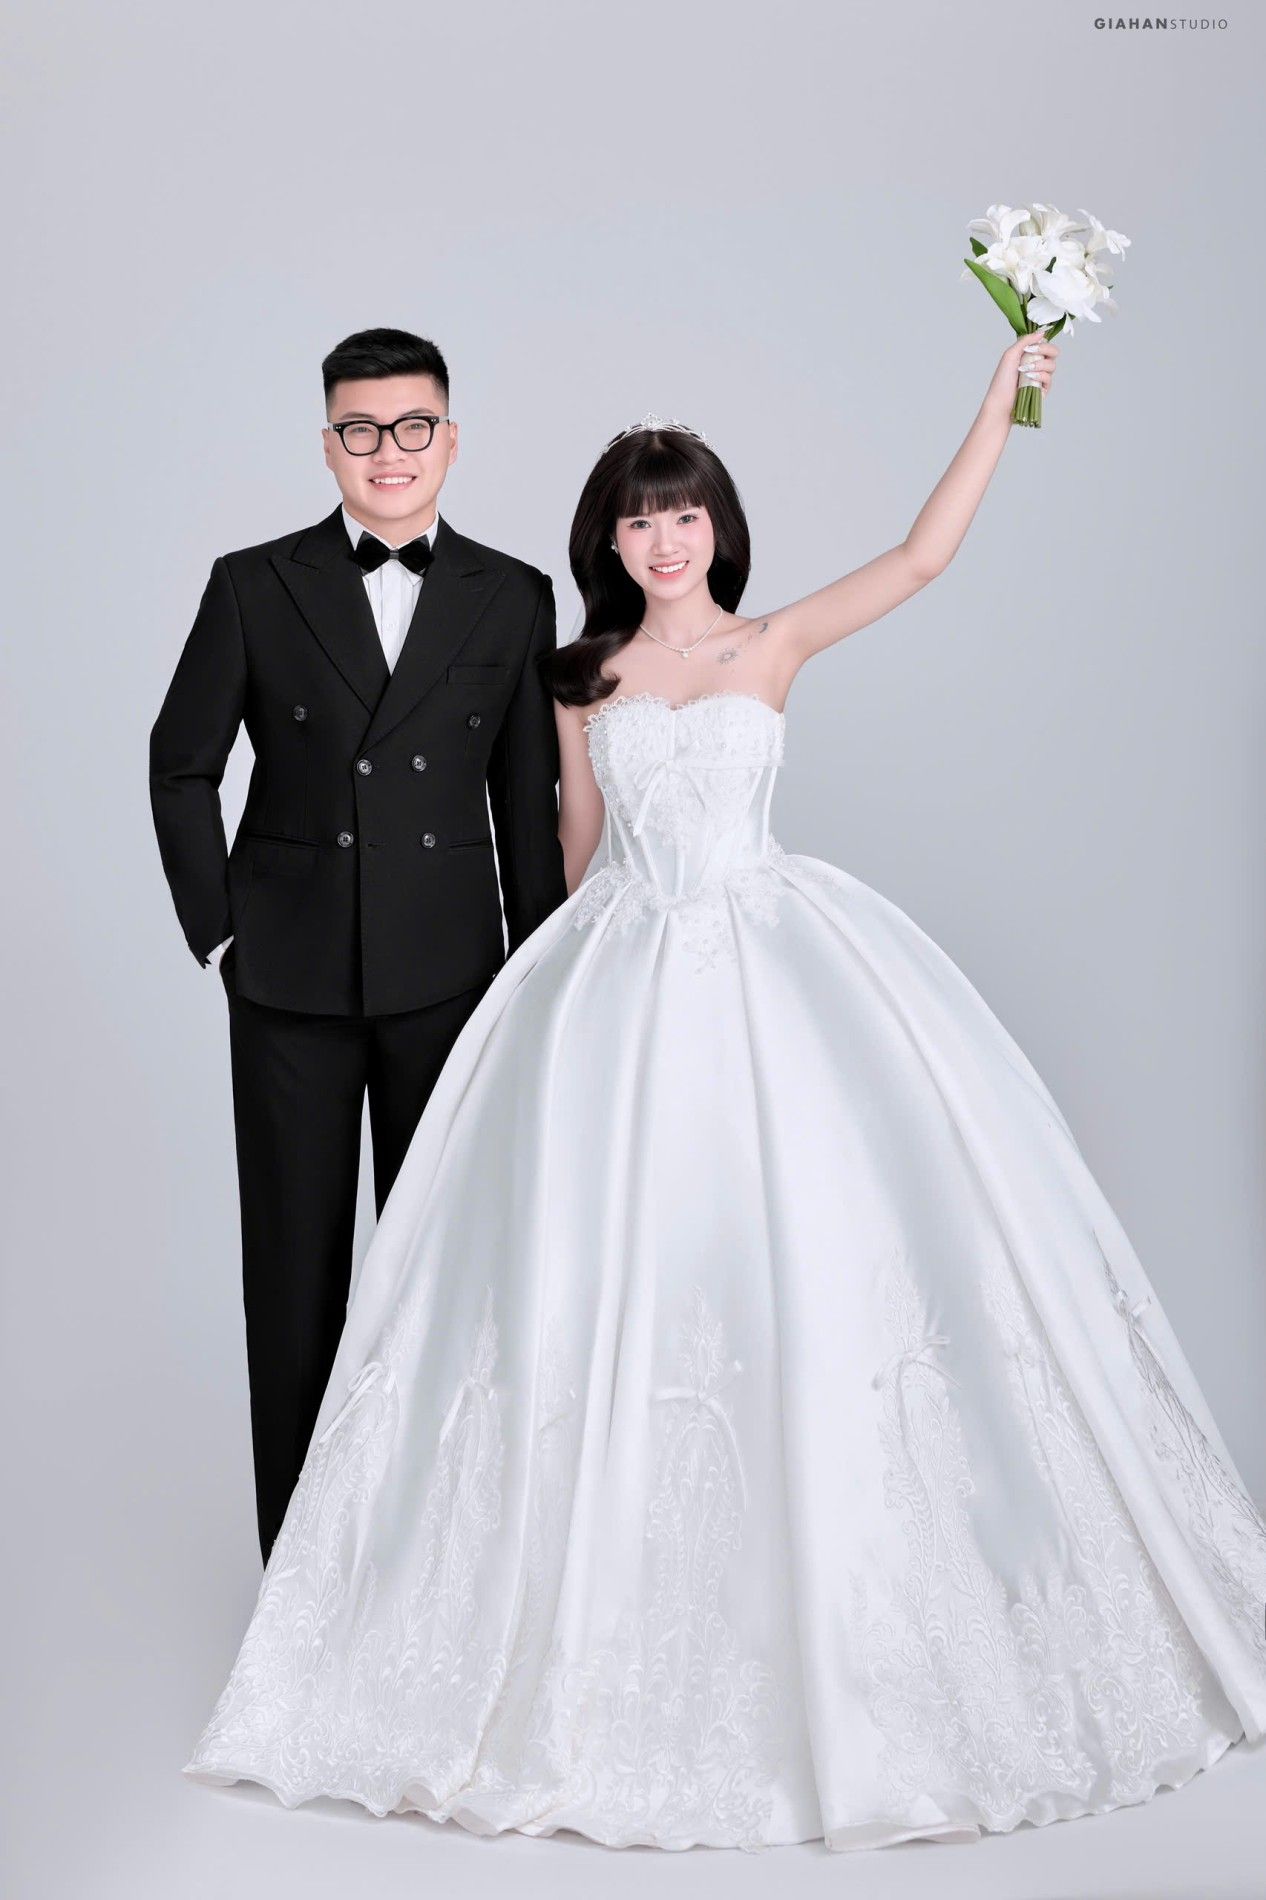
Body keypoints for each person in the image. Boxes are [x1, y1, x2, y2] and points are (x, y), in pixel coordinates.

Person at [182, 336, 1266, 1854]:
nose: (663, 538)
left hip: (771, 965)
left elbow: (922, 556)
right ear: (609, 544)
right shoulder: (579, 676)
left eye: (682, 513)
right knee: (603, 1280)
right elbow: (566, 855)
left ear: (717, 528)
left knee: (796, 1268)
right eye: (637, 520)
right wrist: (529, 1019)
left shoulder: (773, 645)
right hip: (621, 975)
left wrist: (1000, 401)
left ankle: (823, 1598)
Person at [149, 328, 568, 1565]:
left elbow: (526, 810)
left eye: (413, 426)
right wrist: (223, 935)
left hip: (454, 986)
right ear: (329, 444)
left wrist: (541, 981)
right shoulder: (253, 582)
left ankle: (430, 1568)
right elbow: (180, 765)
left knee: (446, 1277)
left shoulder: (512, 593)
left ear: (452, 438)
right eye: (362, 429)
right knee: (293, 1284)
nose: (390, 451)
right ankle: (299, 1578)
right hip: (288, 983)